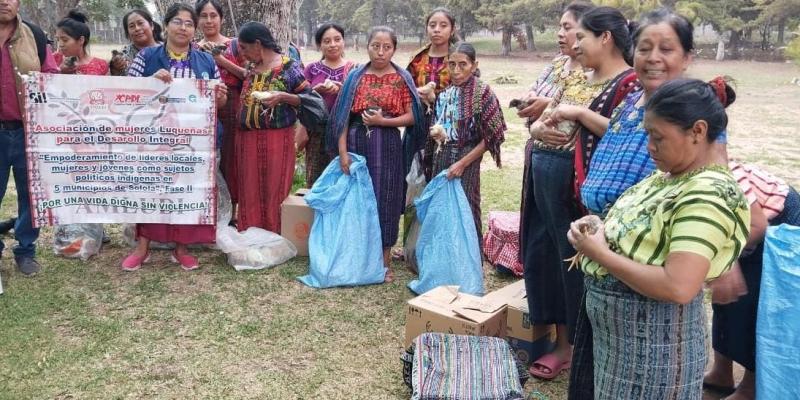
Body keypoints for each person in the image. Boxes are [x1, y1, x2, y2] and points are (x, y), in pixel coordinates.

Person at [567, 78, 749, 399]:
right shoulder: (673, 176)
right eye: (648, 134)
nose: (650, 146)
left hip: (653, 352)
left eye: (658, 137)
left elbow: (678, 286)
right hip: (625, 344)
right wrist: (600, 228)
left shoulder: (707, 195)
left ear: (698, 131)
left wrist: (600, 254)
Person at [521, 5, 636, 380]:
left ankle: (570, 344)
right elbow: (544, 118)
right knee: (543, 253)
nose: (573, 43)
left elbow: (624, 134)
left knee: (571, 260)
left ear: (606, 38)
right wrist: (537, 129)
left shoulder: (627, 83)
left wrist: (580, 114)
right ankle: (555, 334)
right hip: (544, 170)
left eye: (580, 35)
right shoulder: (576, 75)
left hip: (576, 185)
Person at [123, 3, 227, 271]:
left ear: (195, 29)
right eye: (178, 22)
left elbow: (219, 103)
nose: (183, 28)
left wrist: (220, 97)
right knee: (151, 190)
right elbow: (127, 94)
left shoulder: (206, 61)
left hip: (193, 141)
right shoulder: (147, 56)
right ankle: (143, 247)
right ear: (166, 25)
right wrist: (150, 81)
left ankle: (181, 248)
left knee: (187, 191)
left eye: (189, 23)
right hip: (154, 138)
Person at [704, 133, 800, 400]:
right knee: (724, 299)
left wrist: (726, 256)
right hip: (739, 233)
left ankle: (751, 385)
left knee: (756, 305)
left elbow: (758, 226)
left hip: (778, 224)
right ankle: (722, 372)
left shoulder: (723, 175)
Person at [327, 26, 425, 283]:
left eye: (387, 47)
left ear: (394, 49)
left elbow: (413, 116)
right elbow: (342, 117)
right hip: (356, 143)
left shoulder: (402, 78)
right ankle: (357, 257)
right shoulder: (355, 77)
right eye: (375, 46)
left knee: (386, 199)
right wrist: (342, 152)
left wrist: (383, 121)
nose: (381, 52)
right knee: (357, 199)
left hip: (388, 146)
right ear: (366, 46)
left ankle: (383, 261)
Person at [578, 8, 695, 216]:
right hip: (597, 224)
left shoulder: (692, 111)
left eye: (666, 49)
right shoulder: (631, 100)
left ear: (686, 58)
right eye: (644, 49)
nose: (653, 58)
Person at [517, 0, 593, 263]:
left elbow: (584, 108)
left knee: (563, 234)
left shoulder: (592, 69)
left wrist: (547, 105)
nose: (560, 34)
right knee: (539, 231)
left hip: (568, 164)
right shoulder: (557, 64)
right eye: (560, 27)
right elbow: (536, 88)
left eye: (567, 28)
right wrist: (531, 100)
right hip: (539, 153)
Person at [235, 21, 317, 234]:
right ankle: (250, 233)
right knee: (249, 187)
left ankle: (274, 233)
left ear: (258, 44)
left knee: (274, 187)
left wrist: (283, 96)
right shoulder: (252, 68)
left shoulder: (288, 67)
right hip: (246, 139)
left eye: (244, 47)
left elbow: (309, 99)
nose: (242, 53)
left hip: (277, 139)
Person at [0, 0, 59, 276]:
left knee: (30, 194)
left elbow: (51, 77)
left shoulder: (34, 35)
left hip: (28, 131)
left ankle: (25, 250)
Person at [429, 42, 505, 241]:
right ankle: (444, 257)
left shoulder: (482, 92)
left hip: (467, 157)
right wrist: (438, 134)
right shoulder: (444, 93)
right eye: (452, 64)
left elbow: (492, 136)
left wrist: (462, 163)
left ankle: (470, 258)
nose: (456, 70)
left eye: (463, 64)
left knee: (466, 208)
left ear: (474, 65)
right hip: (442, 154)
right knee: (441, 207)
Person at [196, 0, 246, 220]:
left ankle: (232, 213)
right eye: (204, 16)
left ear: (221, 19)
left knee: (231, 157)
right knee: (206, 157)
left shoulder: (235, 45)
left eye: (213, 15)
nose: (209, 21)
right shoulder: (193, 47)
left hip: (233, 105)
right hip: (201, 107)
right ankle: (206, 209)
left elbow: (248, 74)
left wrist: (219, 60)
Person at [298, 22, 353, 187]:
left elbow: (361, 100)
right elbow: (300, 98)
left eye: (337, 39)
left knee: (343, 179)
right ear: (319, 45)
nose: (333, 45)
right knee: (317, 179)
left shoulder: (354, 70)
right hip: (316, 132)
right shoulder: (311, 69)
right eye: (327, 41)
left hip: (346, 131)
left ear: (343, 41)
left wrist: (344, 91)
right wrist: (316, 91)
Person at [53, 10, 109, 75]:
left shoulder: (101, 65)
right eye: (58, 40)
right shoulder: (53, 60)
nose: (60, 44)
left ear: (81, 40)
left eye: (65, 40)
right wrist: (60, 72)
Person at [109, 9, 162, 76]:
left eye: (140, 23)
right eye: (132, 26)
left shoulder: (168, 49)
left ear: (151, 25)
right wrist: (115, 70)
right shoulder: (123, 58)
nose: (137, 28)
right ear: (128, 32)